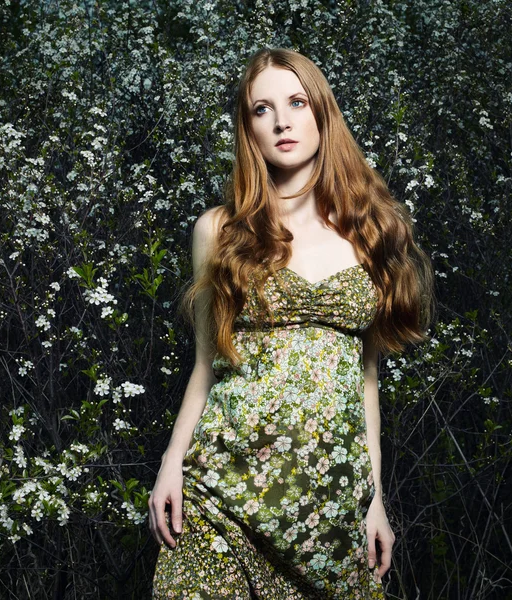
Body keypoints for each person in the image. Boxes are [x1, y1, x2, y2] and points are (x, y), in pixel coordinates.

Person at [149, 47, 434, 599]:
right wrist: (171, 464)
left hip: (327, 512)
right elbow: (206, 363)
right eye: (262, 109)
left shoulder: (373, 233)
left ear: (321, 112)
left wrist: (374, 499)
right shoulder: (218, 230)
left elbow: (366, 378)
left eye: (296, 102)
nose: (281, 121)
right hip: (220, 495)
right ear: (247, 128)